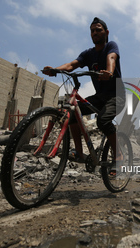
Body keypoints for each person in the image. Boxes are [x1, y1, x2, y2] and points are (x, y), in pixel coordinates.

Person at [43, 17, 125, 163]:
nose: (95, 33)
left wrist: (109, 72)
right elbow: (70, 65)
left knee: (103, 121)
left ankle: (118, 155)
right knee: (72, 115)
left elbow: (111, 58)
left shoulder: (110, 46)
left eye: (98, 30)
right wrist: (55, 70)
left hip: (116, 96)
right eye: (92, 31)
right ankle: (79, 153)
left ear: (106, 32)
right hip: (100, 97)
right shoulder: (88, 54)